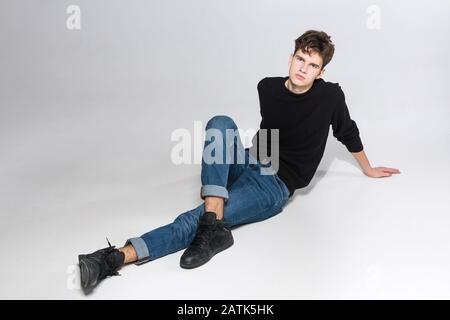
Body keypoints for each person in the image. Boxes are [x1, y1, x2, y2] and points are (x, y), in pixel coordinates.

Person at [77, 30, 401, 291]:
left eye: (312, 65)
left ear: (321, 72)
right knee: (220, 123)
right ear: (290, 58)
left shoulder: (330, 96)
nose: (303, 69)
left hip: (274, 185)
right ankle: (214, 228)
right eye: (300, 59)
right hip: (248, 160)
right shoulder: (267, 87)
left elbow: (347, 130)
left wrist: (368, 168)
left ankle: (114, 258)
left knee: (195, 219)